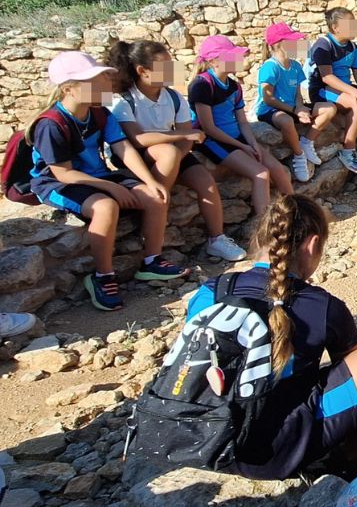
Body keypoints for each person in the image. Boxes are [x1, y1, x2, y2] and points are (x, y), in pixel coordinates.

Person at [184, 193, 357, 478]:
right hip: (274, 454)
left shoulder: (211, 290)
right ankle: (354, 455)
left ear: (258, 240)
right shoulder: (321, 305)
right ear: (313, 244)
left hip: (203, 440)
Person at [28, 51, 188, 311]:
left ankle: (152, 261)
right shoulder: (51, 124)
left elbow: (123, 147)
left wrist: (149, 181)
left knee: (155, 196)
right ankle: (103, 276)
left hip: (96, 175)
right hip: (57, 183)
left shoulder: (100, 113)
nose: (104, 85)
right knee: (106, 207)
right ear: (69, 89)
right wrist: (111, 186)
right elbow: (63, 173)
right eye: (95, 81)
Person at [106, 39, 246, 263]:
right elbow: (138, 139)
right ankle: (158, 208)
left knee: (206, 184)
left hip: (171, 152)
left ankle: (217, 239)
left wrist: (178, 156)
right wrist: (179, 142)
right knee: (167, 156)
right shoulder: (123, 101)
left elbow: (186, 135)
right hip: (138, 156)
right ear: (142, 71)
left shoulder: (172, 97)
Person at [189, 35, 293, 215]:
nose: (238, 60)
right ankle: (264, 226)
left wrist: (253, 144)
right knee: (261, 174)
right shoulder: (202, 85)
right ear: (214, 61)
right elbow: (209, 128)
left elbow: (243, 122)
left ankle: (297, 211)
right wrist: (242, 146)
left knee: (277, 169)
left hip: (237, 137)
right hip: (214, 141)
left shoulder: (234, 86)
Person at [306, 7, 357, 173]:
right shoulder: (324, 45)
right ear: (336, 27)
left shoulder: (353, 47)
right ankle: (348, 149)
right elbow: (326, 77)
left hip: (345, 87)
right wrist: (355, 92)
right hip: (323, 89)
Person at [256, 22, 334, 184]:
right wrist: (295, 109)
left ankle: (307, 141)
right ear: (280, 44)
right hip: (271, 109)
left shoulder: (296, 66)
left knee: (329, 109)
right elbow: (268, 98)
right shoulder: (270, 67)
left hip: (292, 107)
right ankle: (299, 155)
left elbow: (298, 93)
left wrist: (299, 107)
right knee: (286, 120)